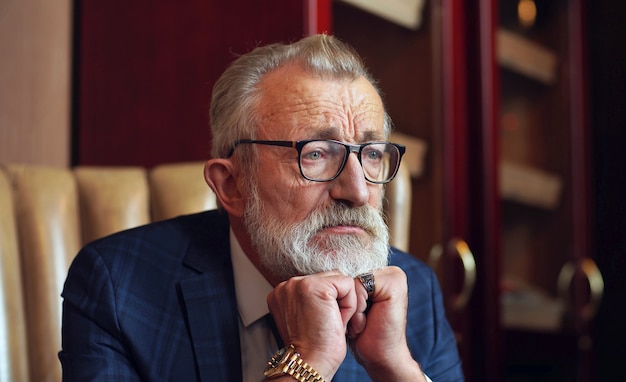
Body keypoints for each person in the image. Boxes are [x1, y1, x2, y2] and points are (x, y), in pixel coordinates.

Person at [59, 34, 464, 381]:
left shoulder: (415, 289)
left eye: (372, 154)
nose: (357, 191)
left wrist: (398, 369)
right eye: (317, 154)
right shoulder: (119, 286)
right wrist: (306, 362)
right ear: (232, 185)